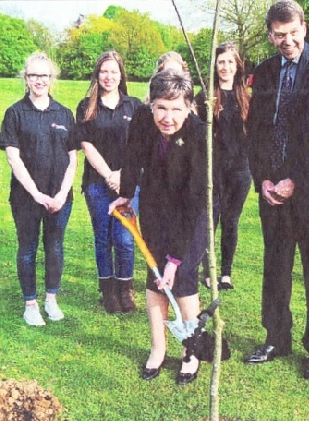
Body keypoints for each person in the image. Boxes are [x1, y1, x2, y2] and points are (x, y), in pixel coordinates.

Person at [244, 0, 309, 380]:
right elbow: (255, 130)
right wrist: (265, 180)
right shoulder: (266, 71)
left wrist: (294, 181)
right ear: (270, 35)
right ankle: (276, 337)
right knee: (276, 268)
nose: (287, 41)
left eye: (293, 32)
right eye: (279, 35)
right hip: (273, 193)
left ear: (305, 27)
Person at [109, 70, 207, 385]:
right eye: (161, 107)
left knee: (183, 279)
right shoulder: (141, 119)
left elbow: (193, 201)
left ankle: (190, 353)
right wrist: (126, 194)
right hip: (153, 207)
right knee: (155, 279)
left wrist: (176, 258)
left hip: (190, 214)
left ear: (189, 107)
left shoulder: (198, 136)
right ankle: (158, 348)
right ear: (150, 104)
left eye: (176, 108)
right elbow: (132, 157)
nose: (167, 117)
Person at [0, 52, 77, 326]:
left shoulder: (65, 113)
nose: (39, 80)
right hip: (26, 198)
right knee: (28, 249)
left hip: (60, 198)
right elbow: (13, 158)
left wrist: (61, 194)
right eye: (33, 75)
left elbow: (73, 158)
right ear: (26, 78)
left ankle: (51, 300)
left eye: (44, 75)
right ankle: (30, 304)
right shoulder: (15, 113)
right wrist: (36, 194)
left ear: (51, 78)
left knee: (55, 248)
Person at [75, 51, 143, 314]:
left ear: (121, 74)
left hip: (129, 184)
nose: (109, 76)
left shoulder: (134, 106)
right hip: (97, 183)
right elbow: (86, 144)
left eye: (114, 71)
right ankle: (108, 291)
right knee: (103, 238)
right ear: (97, 74)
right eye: (104, 71)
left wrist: (124, 177)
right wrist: (108, 175)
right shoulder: (87, 106)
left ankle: (125, 288)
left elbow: (141, 147)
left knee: (125, 238)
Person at [194, 42, 251, 291]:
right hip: (213, 169)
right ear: (214, 66)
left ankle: (226, 273)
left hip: (239, 169)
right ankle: (209, 271)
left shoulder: (246, 97)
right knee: (211, 219)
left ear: (237, 65)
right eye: (221, 62)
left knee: (231, 221)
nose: (225, 67)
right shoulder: (205, 96)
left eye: (230, 61)